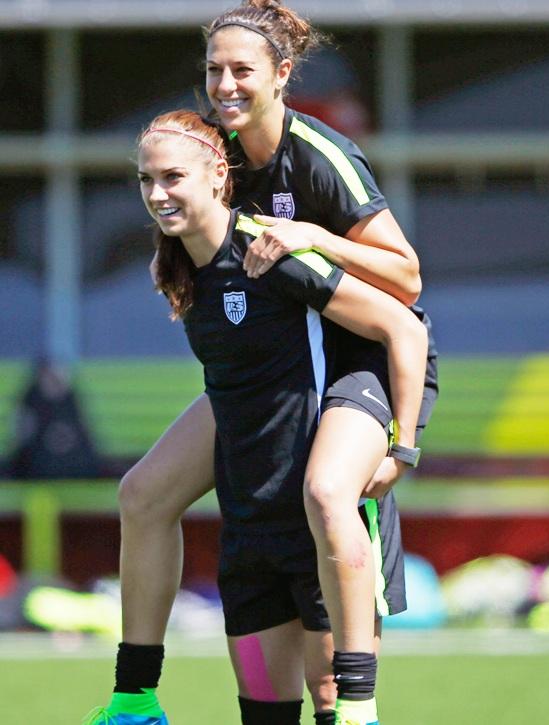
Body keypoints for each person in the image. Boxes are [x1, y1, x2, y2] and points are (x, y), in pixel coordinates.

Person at [91, 2, 438, 723]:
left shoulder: (316, 153)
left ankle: (359, 703)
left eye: (242, 69)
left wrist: (314, 235)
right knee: (144, 493)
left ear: (282, 75)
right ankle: (134, 696)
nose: (225, 83)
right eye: (214, 69)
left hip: (358, 357)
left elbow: (406, 281)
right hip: (279, 365)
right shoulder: (210, 158)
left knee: (323, 492)